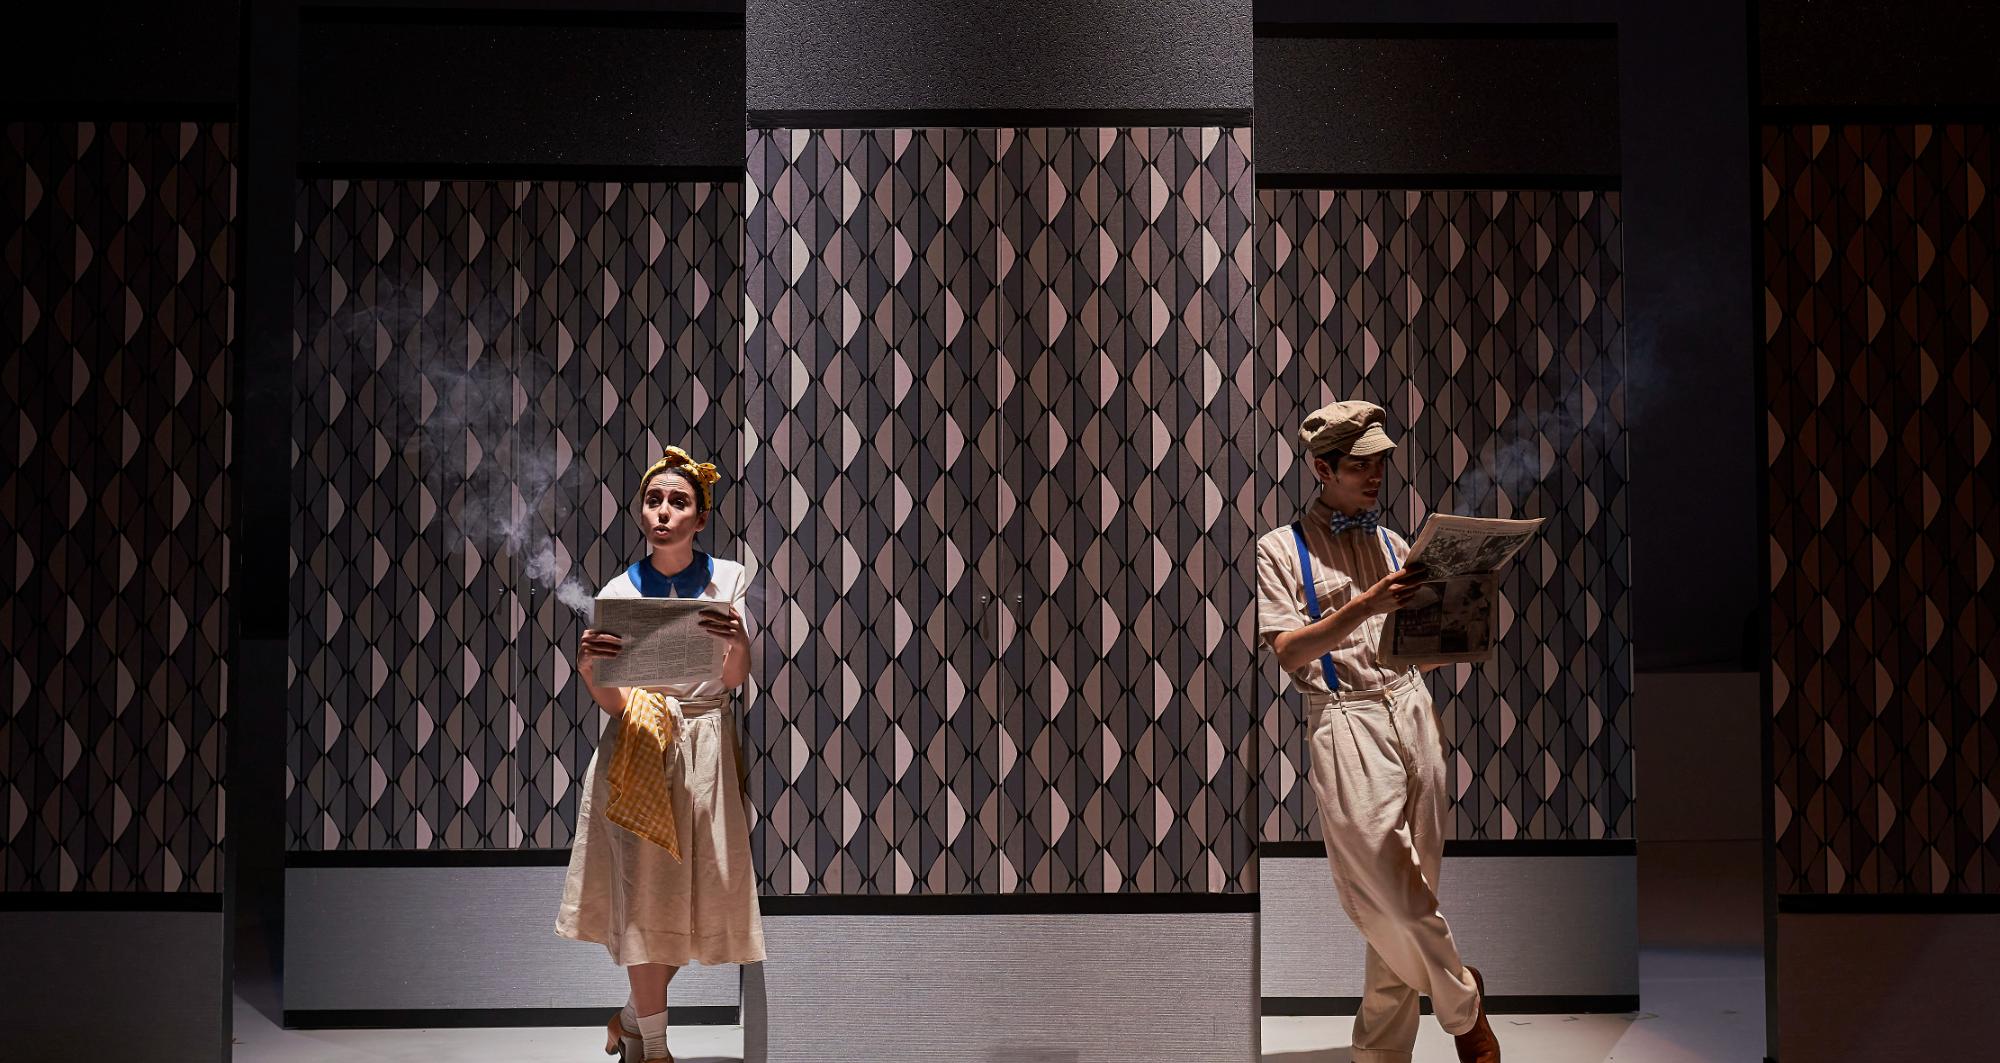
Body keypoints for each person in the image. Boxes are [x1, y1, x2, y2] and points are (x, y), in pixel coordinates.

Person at [1253, 400, 1501, 1063]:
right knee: (1388, 891)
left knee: (1413, 894)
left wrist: (1464, 617)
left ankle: (1380, 1054)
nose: (1374, 475)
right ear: (1322, 468)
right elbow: (1289, 651)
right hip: (1346, 717)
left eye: (1380, 462)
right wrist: (1365, 604)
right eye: (1360, 464)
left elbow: (1412, 651)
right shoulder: (1280, 549)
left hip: (1412, 708)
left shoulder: (1393, 543)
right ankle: (1464, 1003)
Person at [556, 446, 764, 1063]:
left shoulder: (728, 580)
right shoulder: (619, 591)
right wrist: (590, 669)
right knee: (645, 901)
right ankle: (655, 1047)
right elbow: (615, 702)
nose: (664, 512)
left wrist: (738, 642)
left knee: (698, 898)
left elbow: (733, 680)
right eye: (654, 501)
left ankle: (629, 1019)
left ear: (701, 518)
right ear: (640, 512)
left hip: (706, 746)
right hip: (641, 746)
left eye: (678, 501)